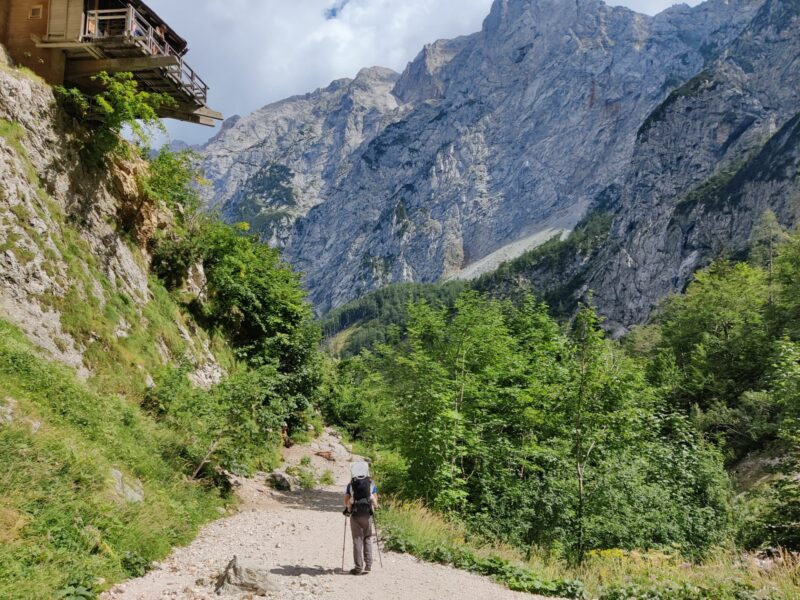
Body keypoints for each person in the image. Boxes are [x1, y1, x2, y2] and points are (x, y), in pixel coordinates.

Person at [343, 461, 378, 575]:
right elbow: (375, 501)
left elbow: (347, 502)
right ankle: (368, 565)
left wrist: (348, 509)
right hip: (367, 514)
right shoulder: (371, 484)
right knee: (367, 538)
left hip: (355, 515)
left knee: (357, 540)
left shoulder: (351, 485)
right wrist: (375, 507)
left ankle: (358, 568)